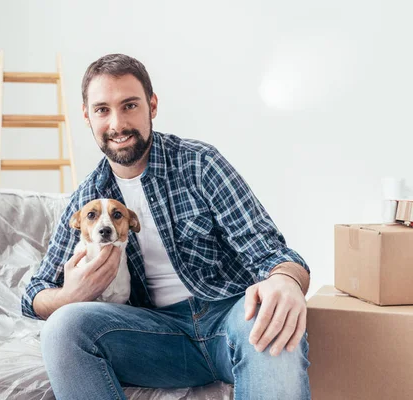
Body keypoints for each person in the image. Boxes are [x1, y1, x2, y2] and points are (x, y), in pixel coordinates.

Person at [21, 53, 311, 400]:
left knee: (271, 317)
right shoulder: (88, 200)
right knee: (62, 330)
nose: (117, 124)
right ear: (87, 116)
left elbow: (271, 253)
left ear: (152, 105)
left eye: (129, 105)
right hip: (154, 338)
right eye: (102, 110)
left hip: (228, 319)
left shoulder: (200, 164)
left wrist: (286, 280)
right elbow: (33, 293)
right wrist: (69, 296)